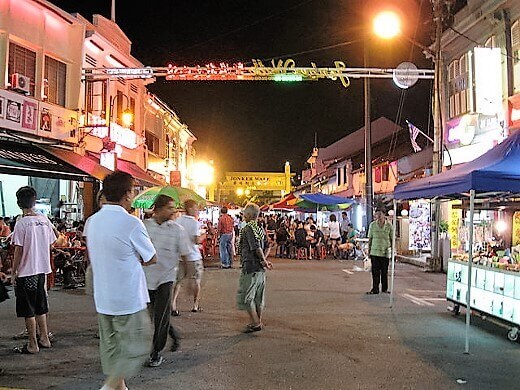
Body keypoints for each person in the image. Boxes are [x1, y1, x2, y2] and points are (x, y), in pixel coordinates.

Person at [84, 171, 157, 390]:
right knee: (135, 350)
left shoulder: (92, 222)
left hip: (104, 299)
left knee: (112, 351)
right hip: (128, 300)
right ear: (126, 194)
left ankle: (119, 387)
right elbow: (151, 257)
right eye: (133, 191)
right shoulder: (131, 223)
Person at [143, 195, 190, 367]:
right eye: (169, 207)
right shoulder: (145, 227)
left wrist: (189, 277)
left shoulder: (177, 230)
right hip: (146, 278)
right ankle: (174, 334)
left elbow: (185, 254)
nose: (173, 211)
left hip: (166, 278)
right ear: (158, 209)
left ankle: (155, 352)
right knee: (155, 316)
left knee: (161, 316)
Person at [11, 186, 57, 354]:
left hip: (26, 271)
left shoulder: (21, 223)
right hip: (41, 271)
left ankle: (32, 343)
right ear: (34, 200)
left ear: (19, 203)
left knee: (28, 309)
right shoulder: (44, 220)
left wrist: (13, 272)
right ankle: (44, 338)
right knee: (40, 306)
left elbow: (18, 250)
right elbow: (52, 242)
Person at [236, 203, 273, 333]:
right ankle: (258, 321)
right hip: (260, 269)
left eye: (244, 213)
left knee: (247, 297)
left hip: (250, 266)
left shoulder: (248, 229)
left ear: (249, 215)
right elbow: (268, 246)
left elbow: (256, 247)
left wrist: (263, 260)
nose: (243, 215)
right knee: (258, 297)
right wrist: (264, 261)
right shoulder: (260, 228)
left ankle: (256, 322)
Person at [171, 199, 205, 315]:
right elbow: (196, 240)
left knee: (178, 282)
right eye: (196, 209)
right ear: (190, 209)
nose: (197, 211)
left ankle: (173, 304)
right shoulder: (194, 223)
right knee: (196, 281)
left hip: (180, 257)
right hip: (193, 257)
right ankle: (195, 305)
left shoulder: (178, 220)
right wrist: (203, 236)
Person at [366, 209, 393, 295]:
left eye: (380, 214)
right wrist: (369, 250)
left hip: (385, 252)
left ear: (384, 215)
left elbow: (392, 239)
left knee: (384, 271)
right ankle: (375, 289)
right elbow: (370, 238)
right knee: (375, 272)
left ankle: (384, 288)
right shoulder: (372, 225)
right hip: (374, 251)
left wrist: (392, 251)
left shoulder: (389, 225)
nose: (378, 216)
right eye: (377, 214)